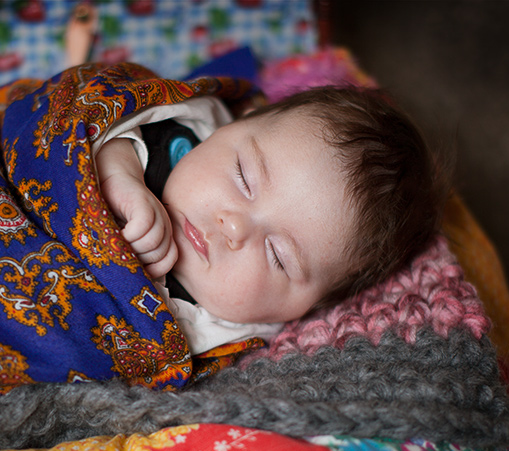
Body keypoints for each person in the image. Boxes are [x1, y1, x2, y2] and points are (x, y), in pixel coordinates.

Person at [95, 86, 446, 353]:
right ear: (231, 125)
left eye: (277, 255)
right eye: (243, 178)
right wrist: (118, 172)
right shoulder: (168, 130)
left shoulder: (220, 338)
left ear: (299, 311)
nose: (234, 226)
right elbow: (94, 119)